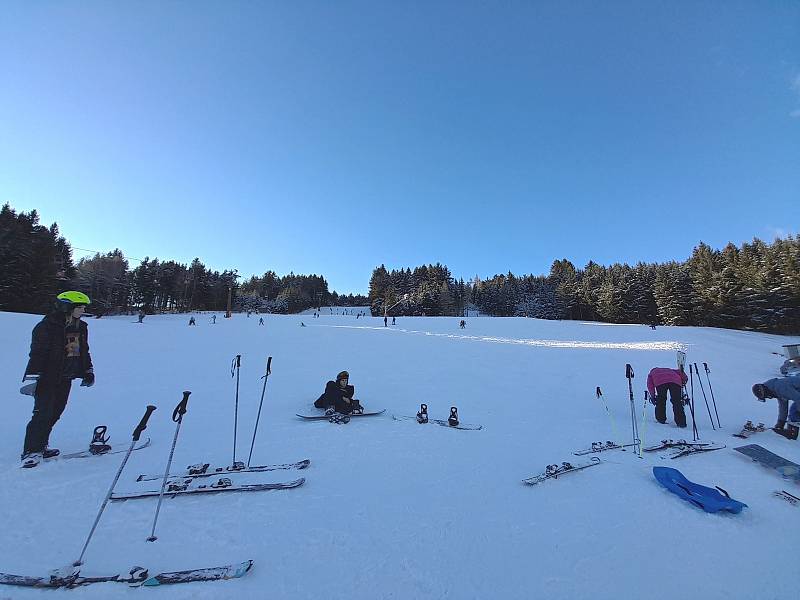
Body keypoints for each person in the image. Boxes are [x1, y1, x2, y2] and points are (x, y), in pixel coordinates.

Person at [20, 291, 95, 468]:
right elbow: (37, 354)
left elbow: (82, 350)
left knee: (56, 412)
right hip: (47, 377)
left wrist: (88, 370)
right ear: (67, 307)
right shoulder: (46, 327)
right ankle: (31, 451)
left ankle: (42, 444)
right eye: (80, 307)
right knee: (42, 413)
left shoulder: (80, 327)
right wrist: (33, 378)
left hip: (66, 376)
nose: (83, 310)